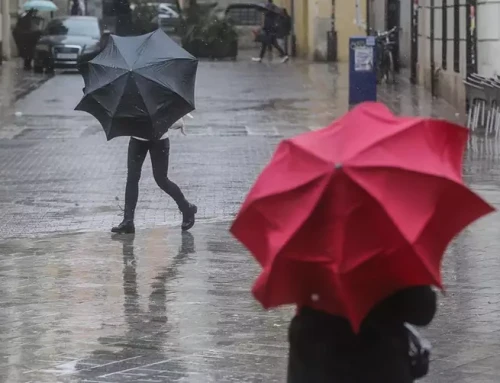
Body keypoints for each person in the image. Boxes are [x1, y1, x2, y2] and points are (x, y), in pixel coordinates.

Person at [287, 285, 437, 383]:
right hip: (378, 363)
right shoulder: (386, 248)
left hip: (313, 361)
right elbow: (422, 311)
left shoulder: (308, 248)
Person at [111, 119, 197, 234]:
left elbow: (174, 119)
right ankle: (128, 221)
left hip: (159, 139)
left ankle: (187, 208)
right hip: (137, 138)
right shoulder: (133, 100)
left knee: (161, 179)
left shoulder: (162, 100)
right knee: (132, 178)